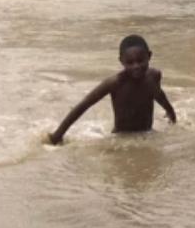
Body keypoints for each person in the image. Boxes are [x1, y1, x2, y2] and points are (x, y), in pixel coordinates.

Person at [46, 34, 176, 145]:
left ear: (149, 56)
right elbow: (84, 105)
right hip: (121, 139)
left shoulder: (154, 76)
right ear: (121, 61)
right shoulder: (115, 83)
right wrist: (58, 135)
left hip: (148, 134)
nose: (136, 66)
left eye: (140, 60)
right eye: (130, 63)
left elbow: (157, 93)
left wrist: (170, 111)